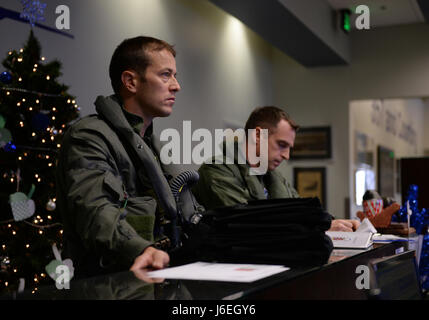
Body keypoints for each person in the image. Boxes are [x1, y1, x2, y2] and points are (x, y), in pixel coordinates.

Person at [56, 36, 181, 277]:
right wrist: (141, 248)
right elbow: (95, 210)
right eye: (166, 75)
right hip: (107, 285)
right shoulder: (89, 137)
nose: (176, 85)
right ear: (130, 81)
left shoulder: (151, 146)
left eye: (174, 75)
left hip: (149, 280)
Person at [193, 106, 360, 232]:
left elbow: (302, 211)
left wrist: (337, 223)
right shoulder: (217, 171)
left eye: (289, 148)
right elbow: (249, 225)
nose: (287, 155)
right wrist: (321, 226)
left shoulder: (273, 177)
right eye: (281, 145)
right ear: (257, 136)